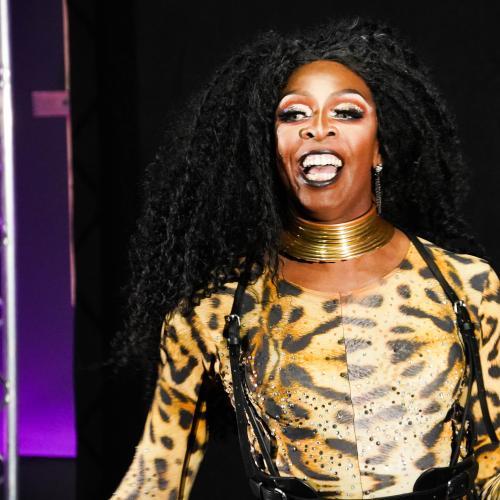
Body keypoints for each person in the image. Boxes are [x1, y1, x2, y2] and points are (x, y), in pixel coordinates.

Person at [109, 17, 499, 499]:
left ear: (380, 148)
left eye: (347, 112)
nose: (317, 128)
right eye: (293, 115)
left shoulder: (465, 287)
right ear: (269, 149)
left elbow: (494, 463)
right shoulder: (215, 312)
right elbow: (155, 480)